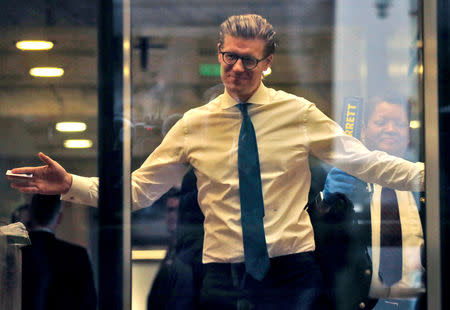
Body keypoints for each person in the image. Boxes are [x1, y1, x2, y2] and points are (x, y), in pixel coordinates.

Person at [8, 14, 424, 310]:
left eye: (250, 60)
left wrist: (431, 177)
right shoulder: (195, 124)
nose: (238, 68)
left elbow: (367, 162)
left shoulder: (298, 113)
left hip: (292, 274)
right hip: (221, 278)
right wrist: (70, 185)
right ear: (220, 53)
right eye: (230, 56)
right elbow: (137, 191)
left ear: (267, 64)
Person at [320, 94, 425, 310]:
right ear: (364, 130)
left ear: (409, 133)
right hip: (360, 302)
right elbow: (323, 245)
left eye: (399, 124)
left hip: (421, 301)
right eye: (381, 122)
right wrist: (327, 202)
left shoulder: (425, 182)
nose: (390, 129)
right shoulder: (343, 180)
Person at [21, 194, 97, 310]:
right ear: (59, 218)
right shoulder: (77, 255)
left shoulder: (15, 252)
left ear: (30, 215)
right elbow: (88, 304)